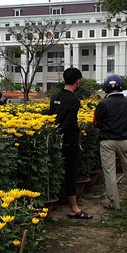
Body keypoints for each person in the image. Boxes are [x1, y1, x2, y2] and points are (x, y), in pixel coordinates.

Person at [49, 67, 92, 219]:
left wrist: (55, 134)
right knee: (70, 173)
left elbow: (52, 118)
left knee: (56, 171)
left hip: (53, 140)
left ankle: (59, 203)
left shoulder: (55, 97)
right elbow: (69, 122)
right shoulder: (74, 100)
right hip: (69, 140)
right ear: (77, 81)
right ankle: (73, 208)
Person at [94, 74, 127, 210]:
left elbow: (96, 122)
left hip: (108, 141)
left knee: (110, 171)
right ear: (121, 87)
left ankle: (115, 203)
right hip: (124, 140)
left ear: (106, 88)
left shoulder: (103, 103)